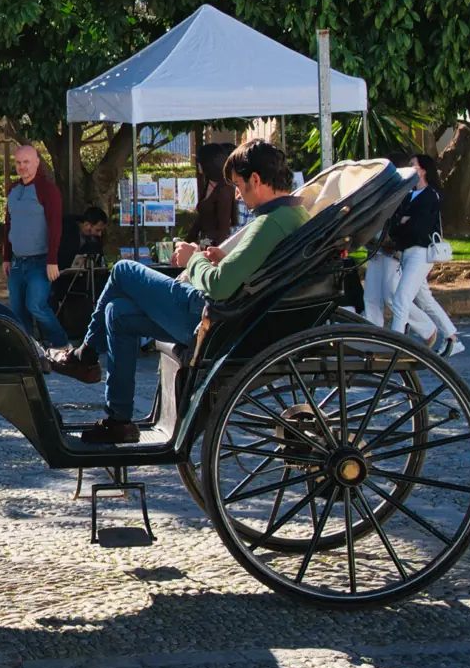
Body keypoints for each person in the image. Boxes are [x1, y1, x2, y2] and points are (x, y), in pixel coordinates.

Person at [50, 137, 305, 444]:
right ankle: (119, 420)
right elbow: (248, 271)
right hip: (224, 316)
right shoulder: (291, 216)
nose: (237, 194)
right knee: (117, 314)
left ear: (256, 179)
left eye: (239, 185)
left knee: (123, 270)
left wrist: (192, 259)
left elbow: (221, 285)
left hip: (208, 314)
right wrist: (221, 260)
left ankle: (85, 357)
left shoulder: (271, 223)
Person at [364, 150, 460, 348]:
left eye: (413, 164)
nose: (410, 168)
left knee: (400, 298)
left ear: (423, 171)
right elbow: (395, 224)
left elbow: (418, 228)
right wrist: (403, 222)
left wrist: (404, 223)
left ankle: (397, 345)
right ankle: (452, 337)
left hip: (421, 252)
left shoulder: (430, 195)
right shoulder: (409, 196)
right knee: (425, 300)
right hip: (407, 252)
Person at [2, 142, 64, 350]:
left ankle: (61, 345)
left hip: (40, 261)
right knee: (18, 310)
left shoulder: (47, 190)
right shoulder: (12, 189)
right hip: (17, 263)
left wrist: (53, 260)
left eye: (27, 162)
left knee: (36, 306)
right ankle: (28, 350)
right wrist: (5, 257)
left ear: (37, 162)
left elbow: (55, 226)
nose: (22, 167)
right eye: (18, 163)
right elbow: (8, 225)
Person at [52, 203, 110, 344]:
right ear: (87, 225)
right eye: (97, 229)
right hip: (64, 275)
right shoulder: (67, 231)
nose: (99, 233)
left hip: (86, 275)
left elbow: (99, 256)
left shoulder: (95, 239)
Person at [191, 142, 238, 247]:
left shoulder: (224, 188)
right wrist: (187, 241)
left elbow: (224, 226)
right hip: (205, 243)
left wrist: (216, 252)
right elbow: (200, 219)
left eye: (199, 161)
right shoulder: (209, 183)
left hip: (215, 247)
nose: (198, 165)